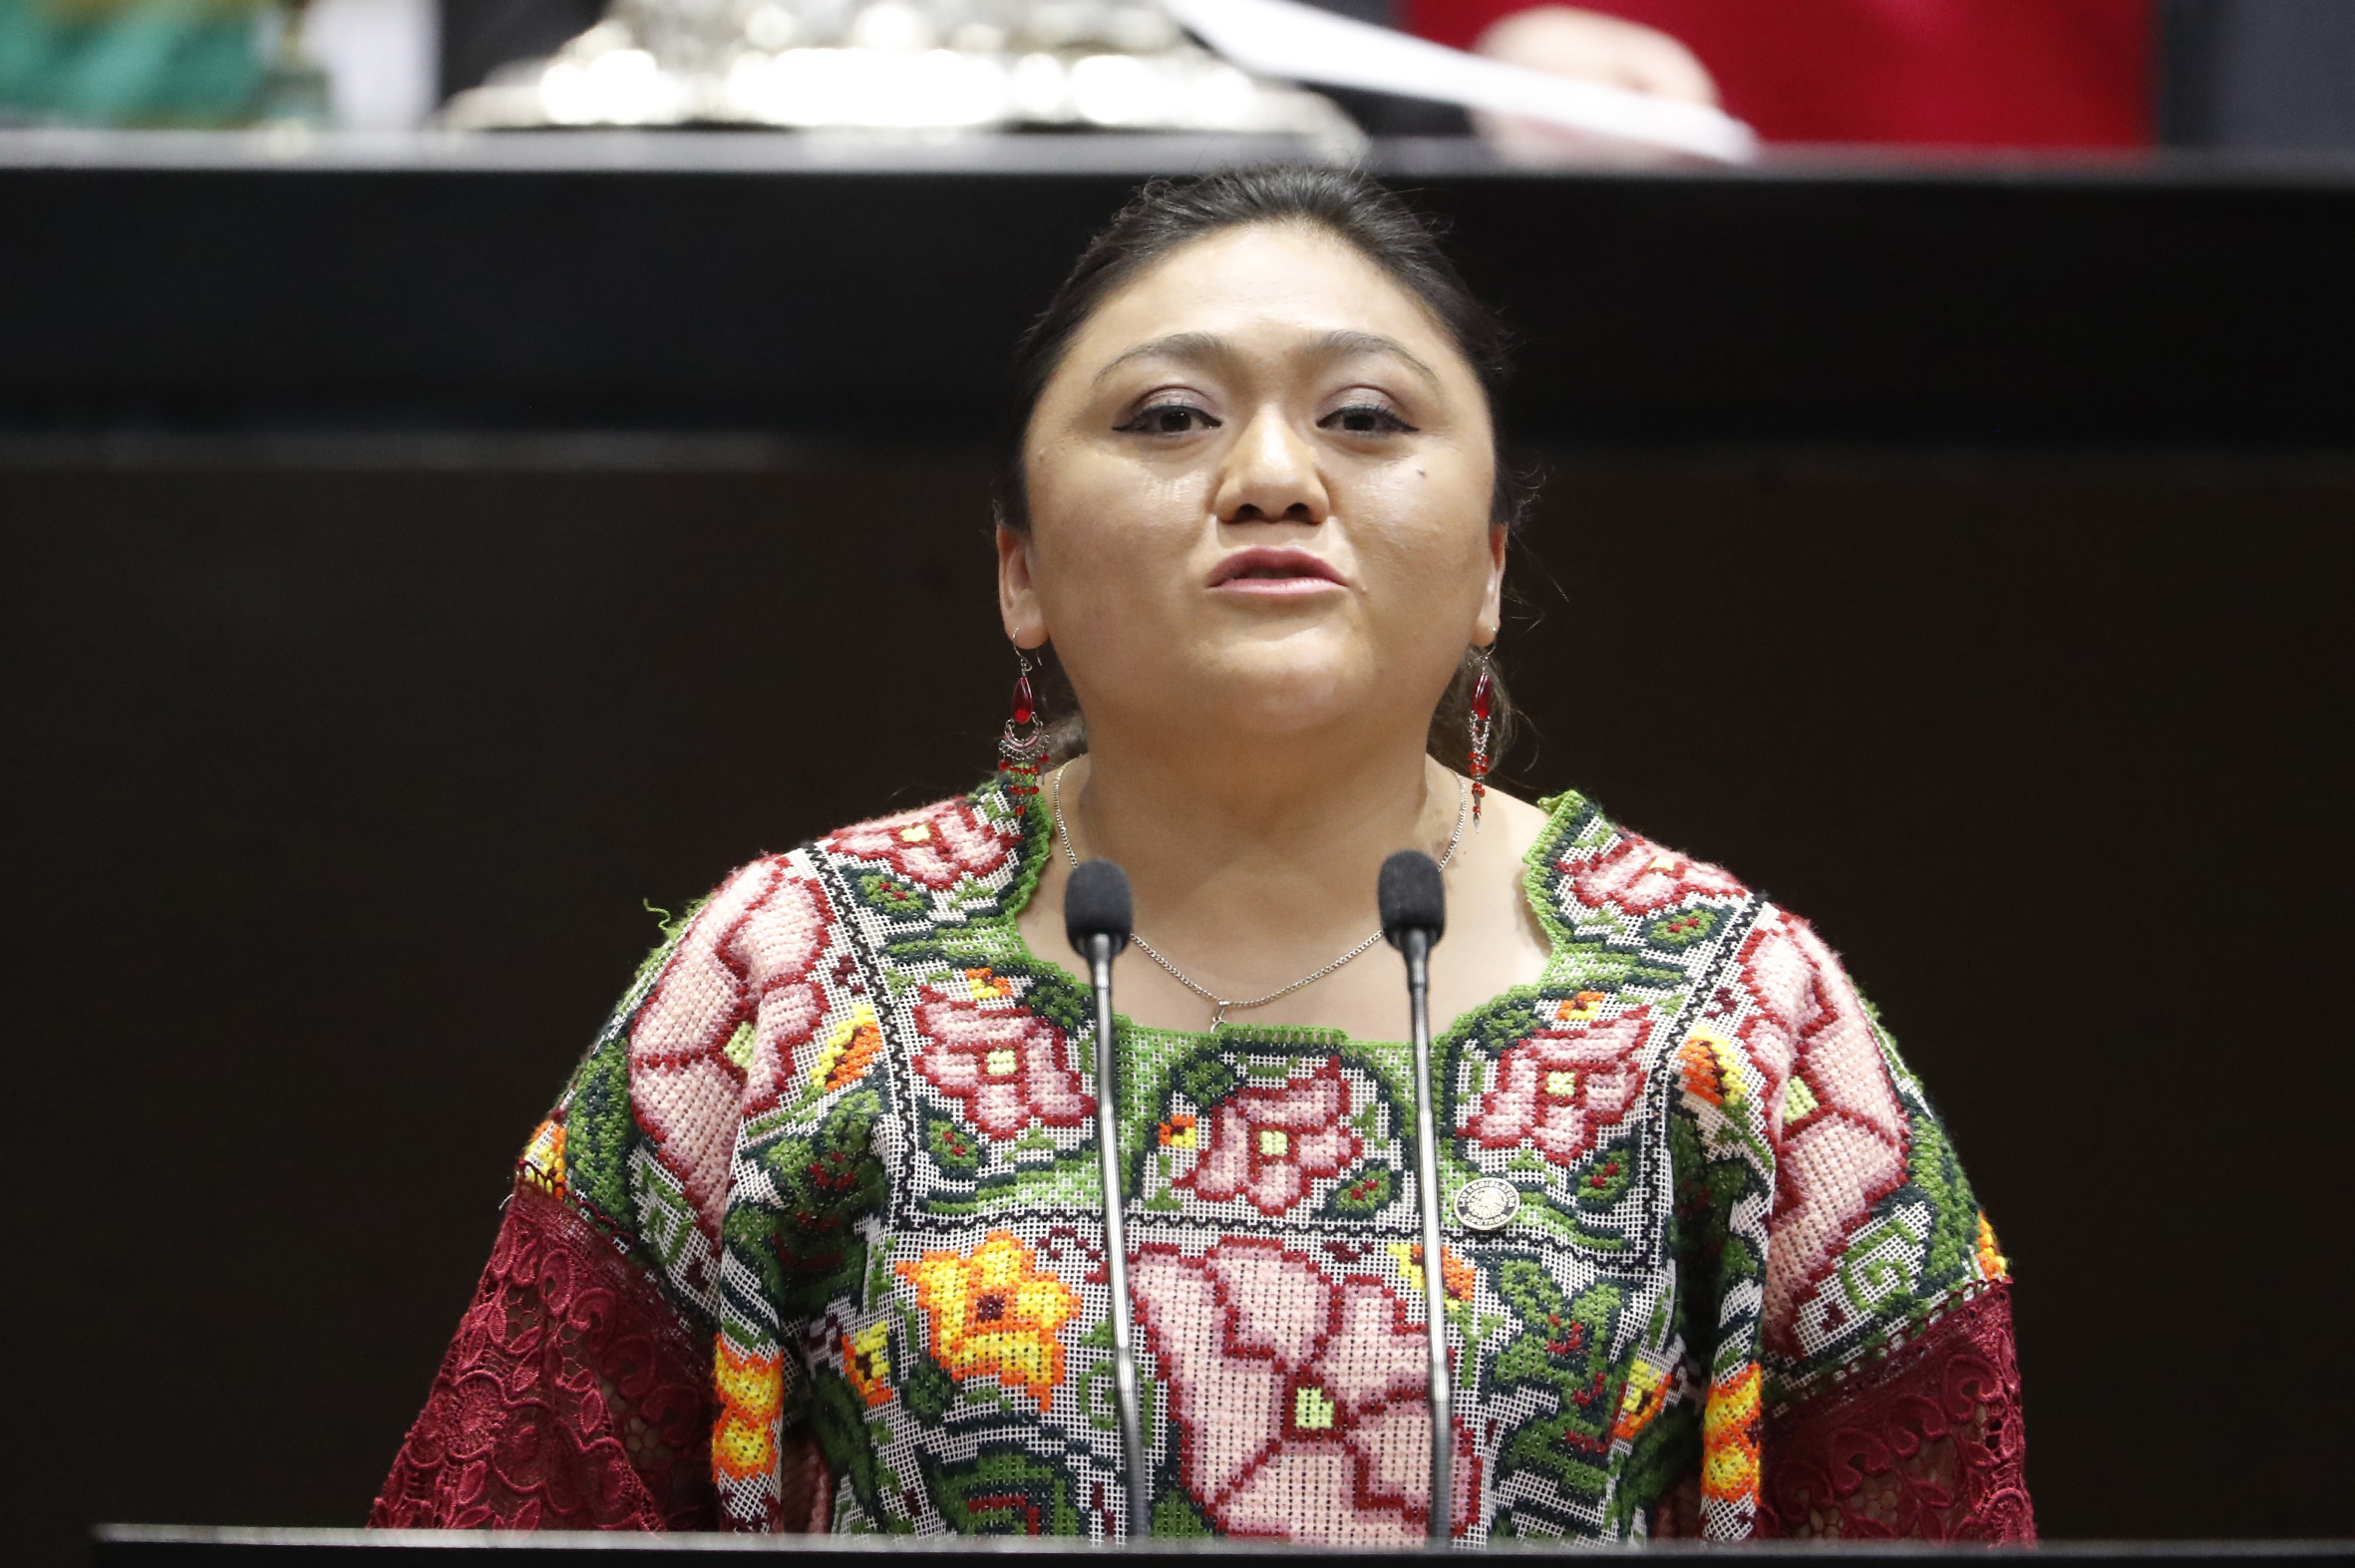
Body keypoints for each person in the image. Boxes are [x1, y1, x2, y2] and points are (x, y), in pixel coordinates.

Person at [371, 164, 2032, 1543]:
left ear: (1487, 568)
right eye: (1168, 416)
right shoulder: (790, 974)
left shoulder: (1735, 1010)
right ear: (1018, 568)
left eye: (1365, 416)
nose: (1271, 477)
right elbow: (498, 1512)